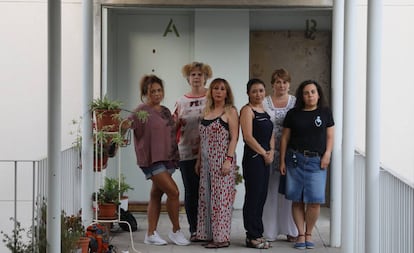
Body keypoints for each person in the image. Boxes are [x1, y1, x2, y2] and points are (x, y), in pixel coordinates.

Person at [129, 74, 190, 246]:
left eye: (159, 90)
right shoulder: (140, 111)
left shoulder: (164, 111)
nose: (157, 94)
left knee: (156, 195)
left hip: (167, 159)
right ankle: (176, 231)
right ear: (145, 93)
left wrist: (178, 123)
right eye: (153, 91)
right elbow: (125, 124)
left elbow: (169, 130)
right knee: (174, 192)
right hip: (151, 160)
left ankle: (150, 234)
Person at [279, 80, 334, 250]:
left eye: (313, 92)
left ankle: (309, 233)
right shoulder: (293, 114)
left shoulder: (325, 112)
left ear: (318, 94)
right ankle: (300, 234)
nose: (310, 95)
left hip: (317, 161)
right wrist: (281, 161)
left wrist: (327, 154)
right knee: (297, 200)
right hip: (295, 159)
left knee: (315, 200)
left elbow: (330, 137)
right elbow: (285, 138)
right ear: (301, 96)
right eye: (306, 93)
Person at [195, 78, 239, 248]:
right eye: (215, 88)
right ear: (211, 92)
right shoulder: (207, 111)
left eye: (222, 89)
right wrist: (199, 160)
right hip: (206, 161)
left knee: (220, 199)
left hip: (222, 159)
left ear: (227, 92)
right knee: (206, 198)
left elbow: (234, 137)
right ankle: (207, 234)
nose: (218, 91)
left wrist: (228, 160)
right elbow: (202, 139)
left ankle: (221, 238)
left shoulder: (230, 111)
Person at [173, 61, 213, 242]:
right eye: (193, 74)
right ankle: (195, 229)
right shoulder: (181, 101)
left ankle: (211, 229)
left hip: (210, 152)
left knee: (210, 191)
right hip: (187, 153)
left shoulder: (212, 97)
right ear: (188, 78)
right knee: (191, 191)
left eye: (200, 74)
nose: (197, 77)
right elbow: (173, 128)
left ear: (206, 77)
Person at [262, 68, 298, 242]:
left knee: (288, 191)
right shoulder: (264, 102)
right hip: (268, 152)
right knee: (270, 191)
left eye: (284, 82)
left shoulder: (296, 102)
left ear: (289, 84)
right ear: (272, 84)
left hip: (290, 153)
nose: (281, 85)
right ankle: (270, 230)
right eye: (278, 81)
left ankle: (291, 229)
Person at [240, 78, 275, 249]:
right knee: (253, 197)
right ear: (248, 93)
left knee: (261, 197)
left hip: (265, 159)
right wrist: (263, 153)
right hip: (254, 160)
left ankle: (258, 233)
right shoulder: (247, 110)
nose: (258, 94)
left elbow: (271, 134)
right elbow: (248, 137)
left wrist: (272, 152)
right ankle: (251, 236)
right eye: (254, 91)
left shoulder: (264, 110)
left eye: (261, 90)